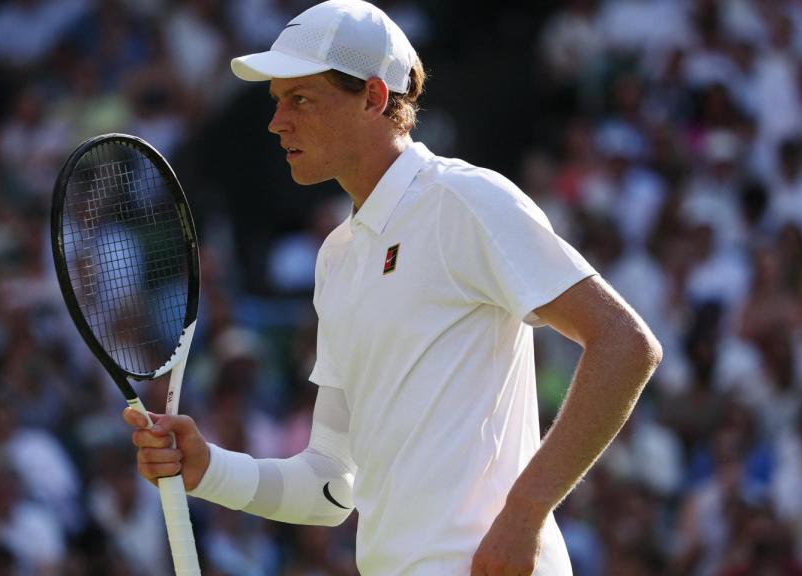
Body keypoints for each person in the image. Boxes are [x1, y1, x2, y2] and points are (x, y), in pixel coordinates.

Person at [123, 1, 663, 574]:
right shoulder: (336, 258)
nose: (277, 121)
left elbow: (625, 345)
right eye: (278, 100)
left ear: (376, 98)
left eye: (300, 99)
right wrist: (211, 470)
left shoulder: (465, 200)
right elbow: (332, 485)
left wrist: (525, 513)